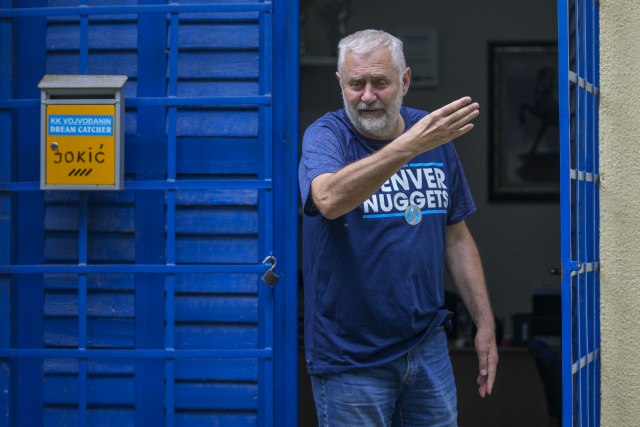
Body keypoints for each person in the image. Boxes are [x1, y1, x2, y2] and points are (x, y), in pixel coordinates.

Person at [298, 29, 498, 426]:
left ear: (405, 81)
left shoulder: (433, 136)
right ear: (341, 84)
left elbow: (456, 237)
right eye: (356, 84)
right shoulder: (327, 135)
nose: (367, 96)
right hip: (352, 358)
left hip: (427, 347)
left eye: (380, 82)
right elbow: (328, 199)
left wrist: (485, 323)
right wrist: (410, 145)